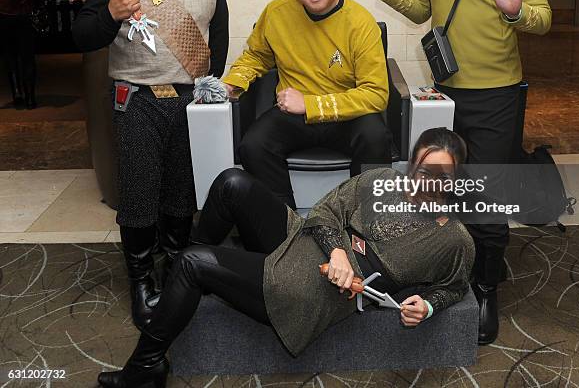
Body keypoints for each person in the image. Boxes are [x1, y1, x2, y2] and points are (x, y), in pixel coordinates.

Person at [97, 127, 474, 388]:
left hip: (315, 288)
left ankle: (143, 370)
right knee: (232, 181)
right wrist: (339, 249)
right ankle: (183, 292)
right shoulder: (379, 182)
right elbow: (325, 212)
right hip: (309, 239)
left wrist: (427, 305)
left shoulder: (453, 239)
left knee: (193, 263)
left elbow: (454, 287)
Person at [364, 0, 552, 345]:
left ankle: (486, 287)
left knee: (487, 200)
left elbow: (543, 18)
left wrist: (514, 11)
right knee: (446, 192)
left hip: (497, 95)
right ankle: (460, 267)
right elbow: (422, 9)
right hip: (444, 95)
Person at [72, 0, 229, 331]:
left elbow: (218, 37)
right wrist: (110, 15)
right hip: (135, 100)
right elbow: (82, 37)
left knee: (182, 192)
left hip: (188, 101)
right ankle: (140, 280)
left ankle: (176, 268)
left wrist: (205, 92)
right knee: (140, 194)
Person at [223, 0, 393, 210]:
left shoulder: (361, 23)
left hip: (346, 115)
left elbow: (375, 95)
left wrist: (310, 104)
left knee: (375, 137)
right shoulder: (277, 12)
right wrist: (231, 84)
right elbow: (256, 56)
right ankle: (284, 227)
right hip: (292, 117)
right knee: (253, 146)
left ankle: (362, 228)